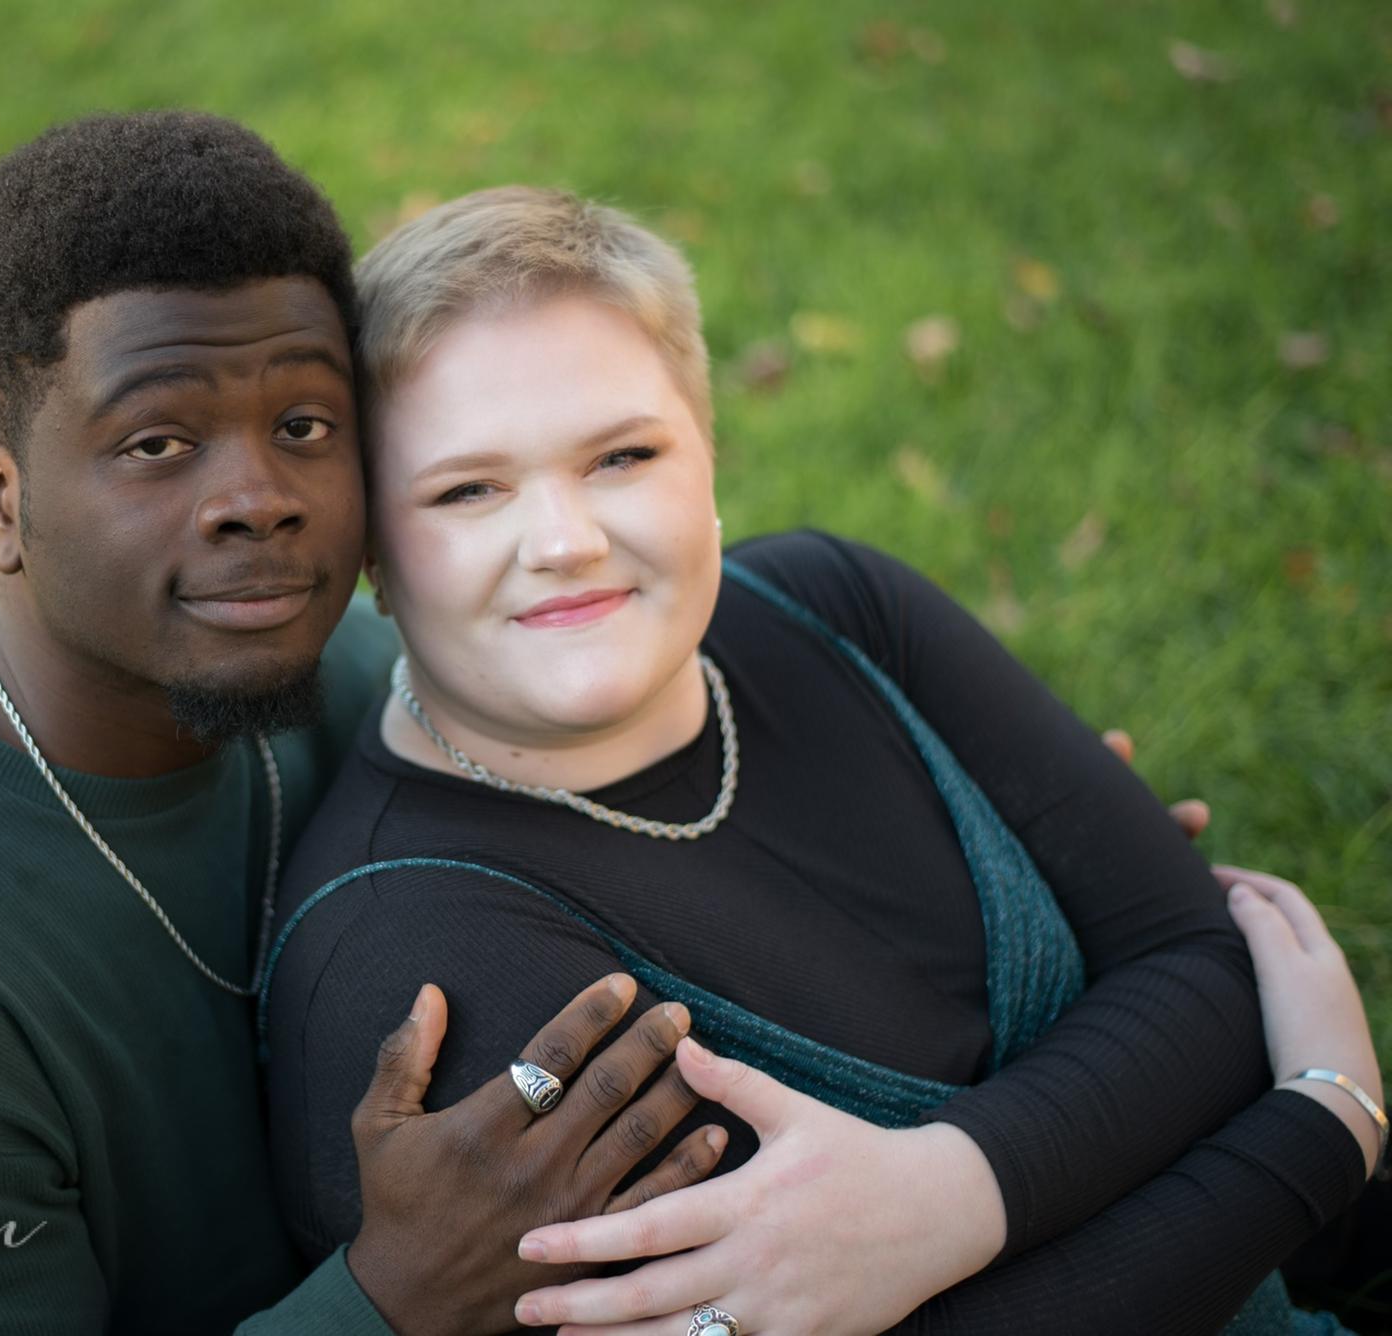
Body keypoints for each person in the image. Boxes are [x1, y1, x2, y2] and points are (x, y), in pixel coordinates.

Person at [0, 114, 727, 1335]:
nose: (257, 501)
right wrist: (394, 1297)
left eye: (303, 426)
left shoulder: (354, 676)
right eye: (156, 443)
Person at [260, 186, 1386, 1333]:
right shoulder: (420, 956)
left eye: (620, 455)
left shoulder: (831, 605)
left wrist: (945, 1189)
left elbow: (1199, 960)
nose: (563, 540)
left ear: (707, 456)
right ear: (372, 548)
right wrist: (1316, 1129)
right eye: (467, 488)